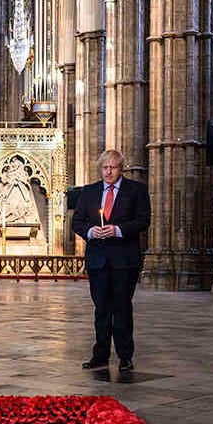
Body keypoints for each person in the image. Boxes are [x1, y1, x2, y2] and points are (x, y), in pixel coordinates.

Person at [71, 149, 151, 372]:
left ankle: (125, 356)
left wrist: (117, 230)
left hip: (124, 260)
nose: (108, 171)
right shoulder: (89, 192)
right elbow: (77, 222)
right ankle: (101, 355)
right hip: (98, 260)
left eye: (113, 167)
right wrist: (90, 231)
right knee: (102, 309)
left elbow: (143, 220)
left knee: (123, 308)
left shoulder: (136, 191)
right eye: (105, 167)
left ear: (121, 169)